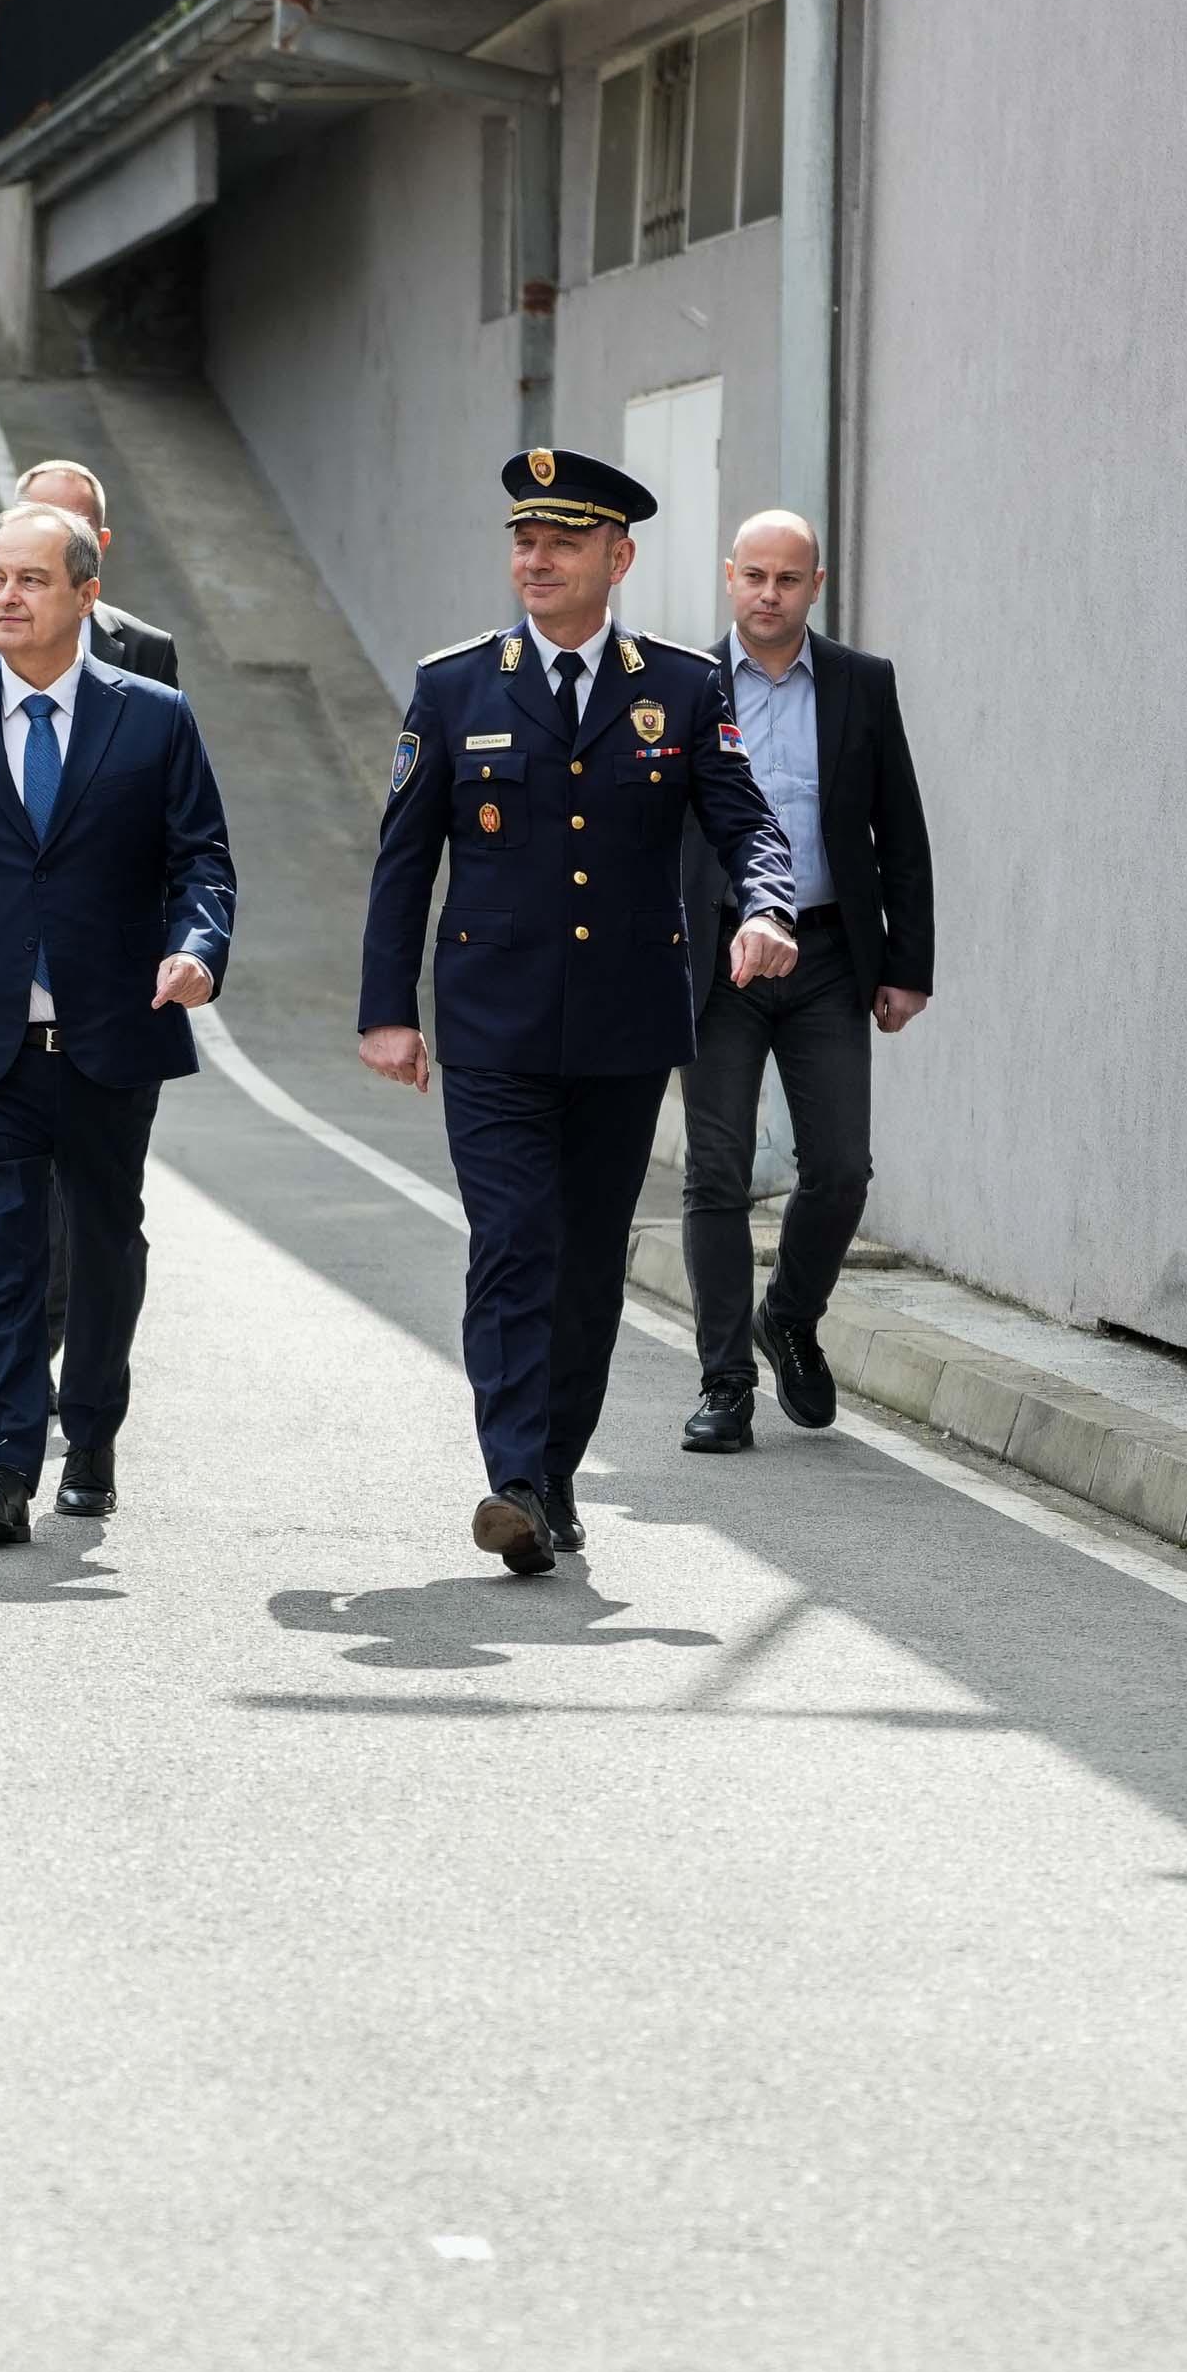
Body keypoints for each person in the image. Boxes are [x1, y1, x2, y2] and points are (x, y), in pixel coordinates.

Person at [357, 446, 798, 1575]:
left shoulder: (683, 689)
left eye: (561, 541)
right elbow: (404, 860)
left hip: (623, 1025)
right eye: (523, 539)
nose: (536, 558)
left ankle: (553, 1475)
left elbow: (745, 822)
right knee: (514, 1241)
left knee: (589, 1259)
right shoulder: (456, 684)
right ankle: (508, 1473)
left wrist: (766, 907)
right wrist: (388, 1010)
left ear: (620, 556)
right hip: (493, 1022)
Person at [0, 503, 234, 1542]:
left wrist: (198, 951)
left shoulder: (154, 716)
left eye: (29, 580)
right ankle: (0, 1469)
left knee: (107, 1244)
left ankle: (95, 1435)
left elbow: (200, 858)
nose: (4, 599)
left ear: (85, 594)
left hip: (113, 1035)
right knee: (3, 1252)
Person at [0, 457, 179, 1389]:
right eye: (5, 558)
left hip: (89, 974)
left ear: (95, 559)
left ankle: (37, 1355)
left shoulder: (145, 656)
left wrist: (174, 950)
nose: (13, 589)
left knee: (68, 1180)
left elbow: (172, 820)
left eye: (47, 553)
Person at [674, 510, 932, 1451]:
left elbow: (900, 831)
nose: (769, 595)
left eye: (789, 579)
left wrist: (906, 966)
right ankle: (725, 1385)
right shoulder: (684, 684)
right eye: (754, 577)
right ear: (729, 577)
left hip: (827, 960)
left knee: (841, 1169)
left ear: (815, 584)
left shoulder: (863, 684)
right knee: (715, 1171)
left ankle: (787, 1314)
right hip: (719, 960)